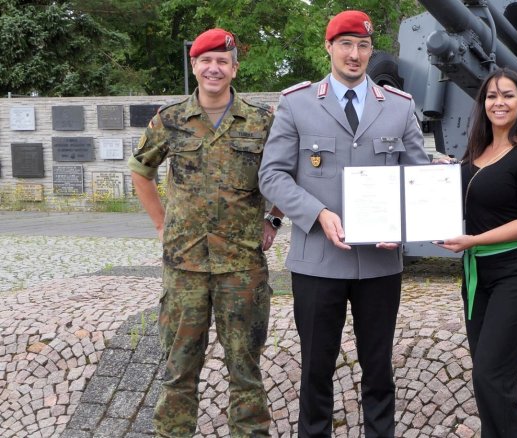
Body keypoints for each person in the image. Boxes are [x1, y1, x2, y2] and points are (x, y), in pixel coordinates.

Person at [257, 10, 429, 437]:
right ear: (329, 47)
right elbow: (272, 176)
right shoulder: (297, 103)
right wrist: (317, 213)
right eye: (346, 44)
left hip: (379, 264)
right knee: (316, 369)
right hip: (317, 262)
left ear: (372, 50)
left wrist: (402, 224)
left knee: (378, 370)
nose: (355, 55)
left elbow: (417, 179)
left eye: (364, 46)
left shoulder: (399, 108)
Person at [129, 28, 282, 437]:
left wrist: (274, 220)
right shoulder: (171, 120)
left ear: (234, 69)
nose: (214, 68)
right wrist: (162, 224)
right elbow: (141, 171)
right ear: (194, 66)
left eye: (222, 61)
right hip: (185, 267)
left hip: (242, 266)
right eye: (206, 61)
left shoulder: (262, 121)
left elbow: (287, 173)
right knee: (179, 369)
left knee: (246, 370)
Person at [436, 68, 517, 438]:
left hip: (516, 272)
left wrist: (474, 241)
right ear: (482, 104)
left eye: (508, 96)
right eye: (491, 96)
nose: (498, 103)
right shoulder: (474, 154)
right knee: (488, 377)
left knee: (491, 374)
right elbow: (469, 200)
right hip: (476, 277)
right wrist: (441, 177)